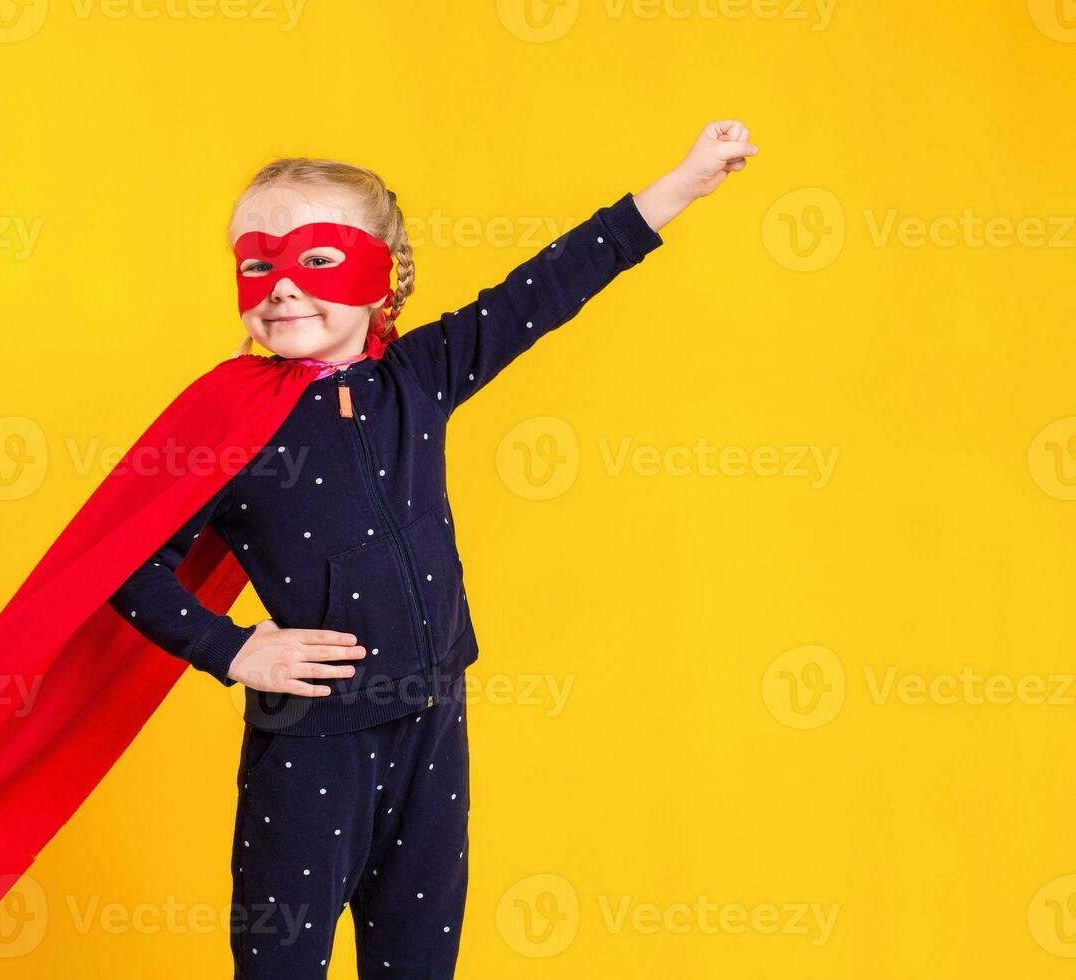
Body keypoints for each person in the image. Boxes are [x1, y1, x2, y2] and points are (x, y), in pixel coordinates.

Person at [108, 120, 759, 978]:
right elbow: (122, 564)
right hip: (311, 743)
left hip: (433, 724)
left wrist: (678, 186)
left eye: (317, 259)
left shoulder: (420, 376)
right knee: (280, 963)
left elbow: (545, 288)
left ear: (381, 275)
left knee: (418, 958)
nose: (281, 289)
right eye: (257, 264)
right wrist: (234, 650)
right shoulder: (224, 425)